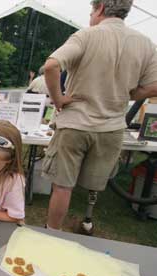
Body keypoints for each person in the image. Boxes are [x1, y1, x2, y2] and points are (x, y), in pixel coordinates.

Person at [43, 0, 157, 234]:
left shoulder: (86, 35)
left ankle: (52, 233)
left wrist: (58, 99)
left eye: (91, 11)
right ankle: (86, 223)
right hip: (112, 128)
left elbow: (51, 66)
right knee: (93, 187)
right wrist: (134, 93)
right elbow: (154, 85)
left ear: (101, 8)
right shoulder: (146, 44)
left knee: (63, 187)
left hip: (75, 123)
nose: (89, 17)